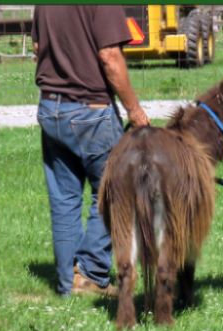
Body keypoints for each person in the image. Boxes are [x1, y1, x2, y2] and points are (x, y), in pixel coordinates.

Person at [31, 5, 149, 297]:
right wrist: (134, 111)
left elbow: (37, 47)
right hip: (90, 109)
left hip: (50, 107)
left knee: (64, 199)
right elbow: (110, 57)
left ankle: (68, 283)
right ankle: (90, 274)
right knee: (116, 192)